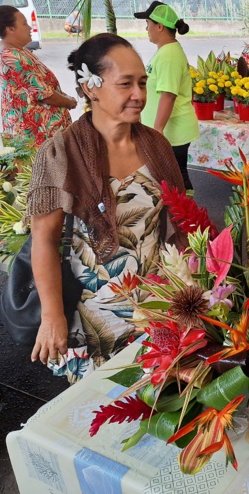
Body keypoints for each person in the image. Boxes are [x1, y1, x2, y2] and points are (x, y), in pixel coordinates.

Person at [26, 33, 188, 382]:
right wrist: (52, 315)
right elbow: (44, 239)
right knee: (101, 412)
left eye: (143, 83)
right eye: (126, 84)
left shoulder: (156, 146)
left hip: (156, 306)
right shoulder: (59, 154)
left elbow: (179, 219)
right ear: (91, 87)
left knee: (163, 399)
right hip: (93, 315)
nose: (140, 95)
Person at [0, 5, 77, 146]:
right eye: (24, 24)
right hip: (35, 131)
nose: (29, 28)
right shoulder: (11, 56)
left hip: (39, 129)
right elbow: (44, 94)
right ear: (10, 29)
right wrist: (69, 102)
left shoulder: (15, 49)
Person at [134, 1, 195, 189]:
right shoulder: (166, 51)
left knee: (177, 179)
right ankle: (185, 215)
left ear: (159, 26)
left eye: (148, 23)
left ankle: (188, 216)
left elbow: (168, 95)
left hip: (171, 131)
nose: (146, 28)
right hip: (167, 130)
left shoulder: (169, 55)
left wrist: (158, 131)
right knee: (173, 177)